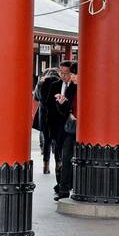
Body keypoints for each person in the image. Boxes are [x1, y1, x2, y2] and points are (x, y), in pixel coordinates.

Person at [36, 64, 69, 175]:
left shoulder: (41, 82)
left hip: (45, 115)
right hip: (57, 115)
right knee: (57, 140)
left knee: (47, 140)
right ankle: (58, 164)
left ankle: (46, 165)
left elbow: (36, 97)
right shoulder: (59, 83)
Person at [53, 62, 78, 200]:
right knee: (66, 157)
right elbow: (65, 108)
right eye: (72, 74)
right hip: (71, 128)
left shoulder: (89, 87)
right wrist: (62, 103)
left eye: (74, 75)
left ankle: (76, 187)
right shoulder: (72, 87)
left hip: (84, 128)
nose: (72, 78)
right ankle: (63, 190)